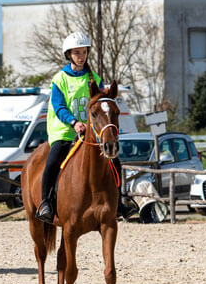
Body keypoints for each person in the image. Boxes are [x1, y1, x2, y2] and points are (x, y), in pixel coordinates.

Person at [36, 32, 135, 224]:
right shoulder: (60, 79)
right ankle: (46, 203)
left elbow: (102, 102)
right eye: (76, 53)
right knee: (51, 163)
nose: (81, 56)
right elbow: (58, 106)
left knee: (115, 161)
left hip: (91, 133)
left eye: (83, 52)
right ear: (69, 55)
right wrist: (74, 123)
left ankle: (119, 202)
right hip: (65, 132)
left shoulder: (94, 78)